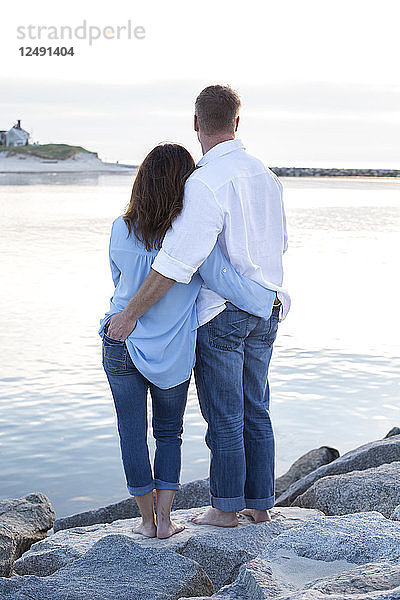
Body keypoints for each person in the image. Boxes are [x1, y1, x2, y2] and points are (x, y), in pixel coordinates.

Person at [107, 85, 291, 528]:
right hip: (268, 307)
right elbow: (281, 244)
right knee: (256, 408)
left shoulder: (204, 183)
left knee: (225, 416)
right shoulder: (266, 176)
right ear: (237, 122)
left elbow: (176, 262)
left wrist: (129, 314)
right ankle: (260, 504)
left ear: (195, 123)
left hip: (223, 315)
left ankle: (225, 508)